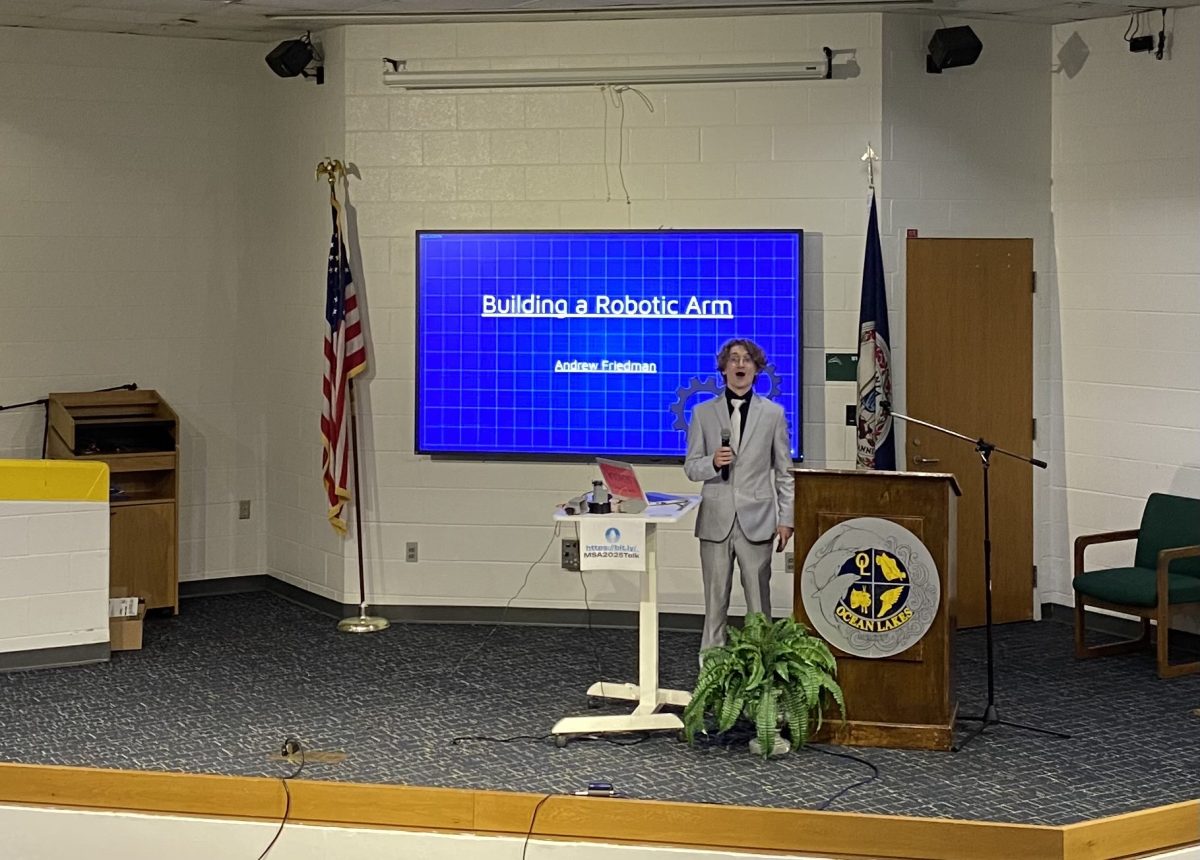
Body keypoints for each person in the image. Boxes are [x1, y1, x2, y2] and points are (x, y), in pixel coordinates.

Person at [684, 338, 795, 656]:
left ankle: (762, 665)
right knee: (715, 598)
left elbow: (784, 472)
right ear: (723, 368)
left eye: (747, 359)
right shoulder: (703, 413)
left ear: (757, 368)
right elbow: (692, 467)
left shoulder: (773, 414)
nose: (740, 364)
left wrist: (786, 518)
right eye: (733, 359)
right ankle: (712, 667)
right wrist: (712, 463)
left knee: (759, 601)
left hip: (757, 520)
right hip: (716, 520)